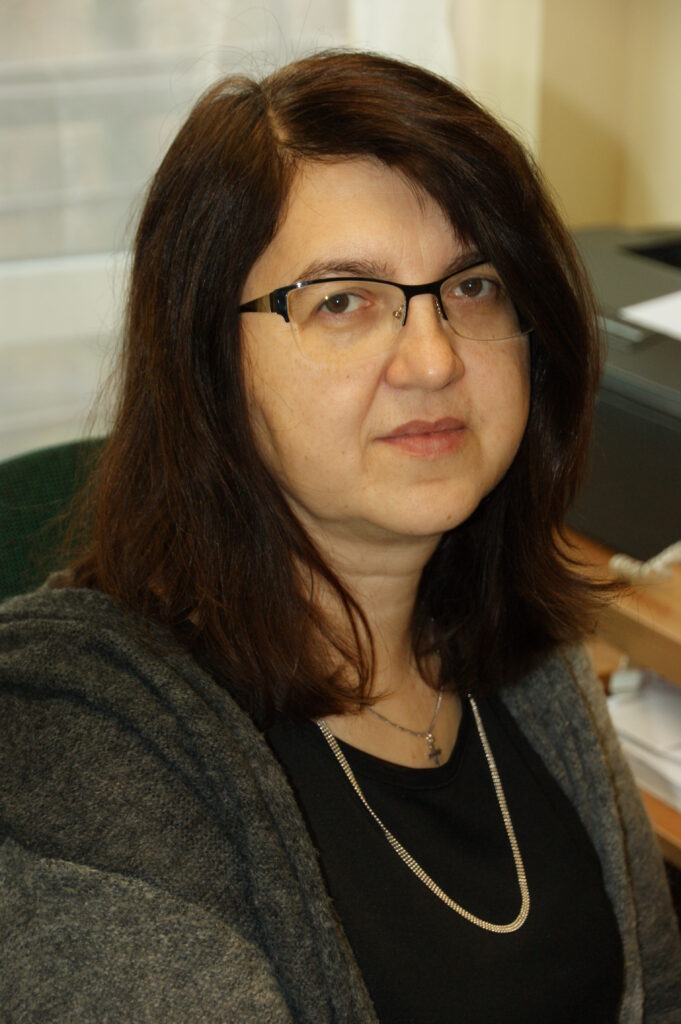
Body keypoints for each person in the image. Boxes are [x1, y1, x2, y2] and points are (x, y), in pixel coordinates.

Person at [1, 50, 679, 1024]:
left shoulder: (528, 650)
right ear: (207, 360)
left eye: (474, 286)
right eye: (342, 301)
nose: (434, 358)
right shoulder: (79, 740)